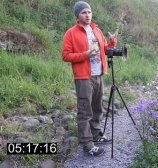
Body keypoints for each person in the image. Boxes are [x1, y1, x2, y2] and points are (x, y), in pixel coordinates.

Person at [62, 1, 117, 156]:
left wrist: (112, 41)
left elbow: (105, 50)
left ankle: (95, 135)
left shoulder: (96, 30)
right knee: (85, 110)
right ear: (77, 15)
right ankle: (87, 144)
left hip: (98, 74)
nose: (87, 15)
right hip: (83, 77)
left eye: (89, 12)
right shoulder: (71, 33)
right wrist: (84, 55)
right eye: (84, 12)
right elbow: (66, 56)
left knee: (97, 108)